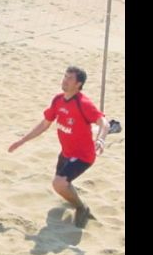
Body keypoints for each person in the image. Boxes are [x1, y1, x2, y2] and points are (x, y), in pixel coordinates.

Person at [8, 66, 110, 228]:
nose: (65, 80)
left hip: (83, 156)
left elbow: (104, 123)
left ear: (79, 84)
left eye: (70, 78)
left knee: (59, 183)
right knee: (61, 186)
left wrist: (101, 140)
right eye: (65, 76)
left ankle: (82, 208)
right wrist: (22, 140)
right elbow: (44, 124)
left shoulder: (83, 103)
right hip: (66, 153)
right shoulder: (58, 100)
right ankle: (72, 195)